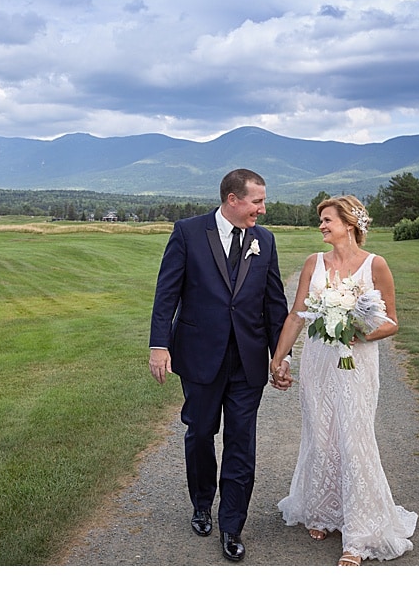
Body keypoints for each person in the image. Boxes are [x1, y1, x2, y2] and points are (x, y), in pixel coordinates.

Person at [149, 168, 292, 563]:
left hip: (248, 363)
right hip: (199, 357)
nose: (262, 209)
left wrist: (281, 357)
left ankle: (232, 525)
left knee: (242, 443)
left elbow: (274, 303)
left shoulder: (264, 240)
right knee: (199, 434)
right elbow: (167, 294)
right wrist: (159, 345)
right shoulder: (188, 232)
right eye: (257, 201)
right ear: (233, 199)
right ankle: (201, 504)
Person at [269, 195, 417, 566]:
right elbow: (296, 317)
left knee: (353, 437)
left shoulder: (375, 266)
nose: (321, 225)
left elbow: (392, 322)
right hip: (318, 362)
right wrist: (279, 358)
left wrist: (359, 333)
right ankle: (323, 512)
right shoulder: (313, 263)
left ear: (349, 223)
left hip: (356, 363)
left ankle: (359, 532)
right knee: (320, 434)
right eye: (320, 219)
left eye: (326, 219)